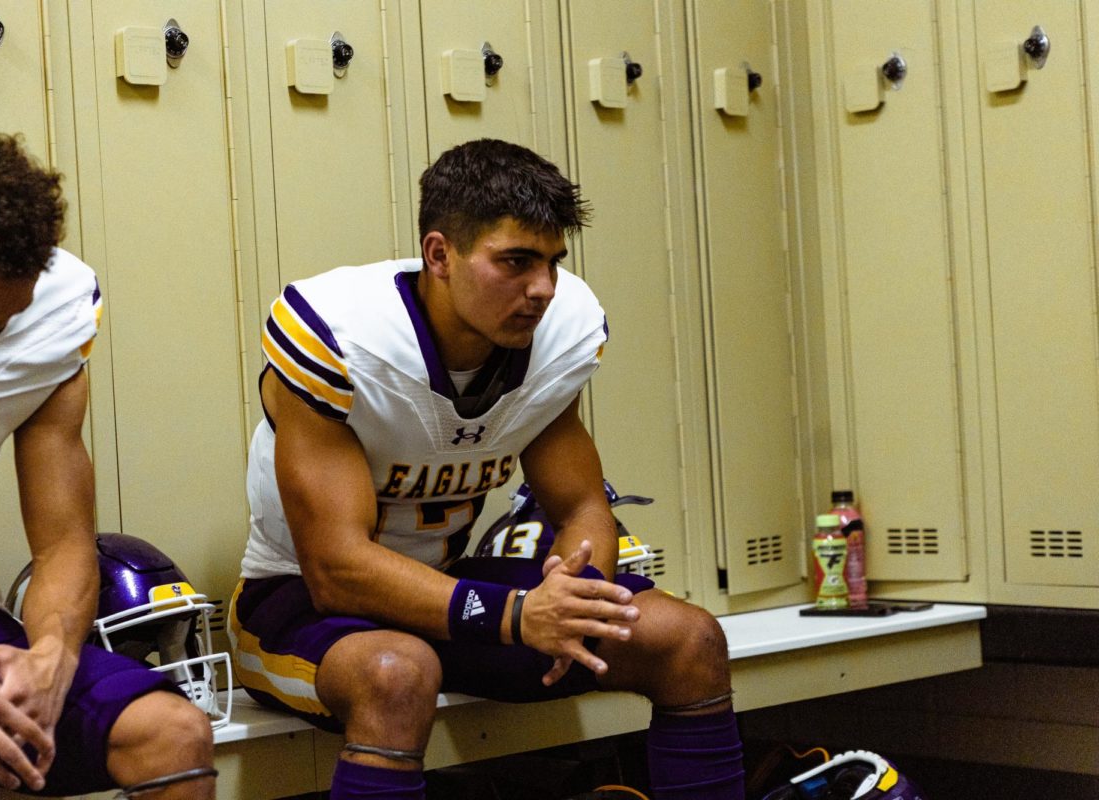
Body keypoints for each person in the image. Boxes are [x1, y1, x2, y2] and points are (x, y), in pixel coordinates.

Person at [232, 138, 745, 799]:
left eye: (553, 263)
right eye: (516, 262)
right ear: (439, 254)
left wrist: (575, 597)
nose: (542, 289)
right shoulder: (342, 336)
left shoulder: (557, 333)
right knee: (398, 673)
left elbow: (583, 504)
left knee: (689, 638)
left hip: (450, 589)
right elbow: (337, 571)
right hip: (296, 601)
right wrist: (517, 615)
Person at [0, 129, 215, 799]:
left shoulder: (54, 314)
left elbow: (66, 539)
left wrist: (51, 657)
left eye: (4, 319)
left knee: (174, 734)